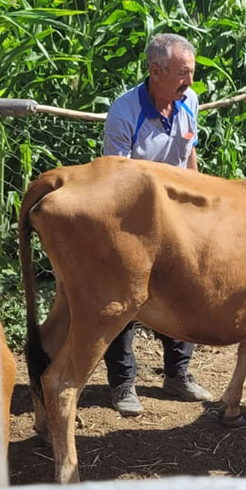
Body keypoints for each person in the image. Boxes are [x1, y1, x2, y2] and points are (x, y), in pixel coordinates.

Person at [100, 33, 214, 416]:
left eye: (192, 73)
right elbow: (115, 180)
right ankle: (122, 383)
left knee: (182, 290)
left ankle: (177, 374)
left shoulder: (189, 102)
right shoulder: (124, 112)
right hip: (133, 217)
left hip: (178, 216)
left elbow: (189, 152)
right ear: (155, 71)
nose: (190, 83)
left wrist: (200, 200)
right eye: (183, 74)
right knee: (126, 299)